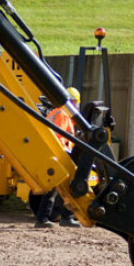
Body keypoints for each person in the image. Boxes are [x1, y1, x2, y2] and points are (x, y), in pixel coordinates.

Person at [36, 88, 82, 228]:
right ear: (74, 102)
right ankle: (62, 218)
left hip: (53, 153)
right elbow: (59, 136)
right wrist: (65, 154)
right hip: (60, 154)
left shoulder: (55, 112)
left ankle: (46, 218)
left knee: (57, 188)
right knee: (65, 186)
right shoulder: (63, 115)